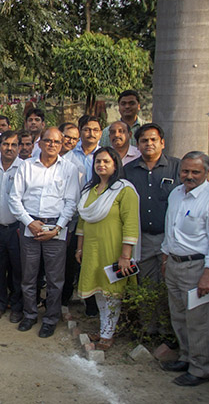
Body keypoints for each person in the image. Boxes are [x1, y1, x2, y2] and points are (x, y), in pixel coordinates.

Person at [160, 151, 209, 387]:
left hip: (197, 267)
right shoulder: (177, 193)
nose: (189, 176)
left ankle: (201, 368)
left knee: (199, 321)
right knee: (178, 316)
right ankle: (186, 357)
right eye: (185, 171)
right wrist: (166, 258)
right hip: (175, 264)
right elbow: (171, 228)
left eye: (195, 172)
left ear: (207, 173)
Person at [8, 127, 79, 337]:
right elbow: (14, 198)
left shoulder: (69, 168)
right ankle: (30, 315)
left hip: (56, 227)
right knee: (28, 276)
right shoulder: (27, 166)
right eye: (48, 141)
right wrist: (29, 222)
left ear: (61, 144)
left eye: (56, 142)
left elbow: (70, 202)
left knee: (55, 279)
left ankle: (50, 318)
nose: (52, 145)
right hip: (30, 224)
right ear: (39, 143)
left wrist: (58, 228)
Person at [75, 147, 140, 350]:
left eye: (106, 162)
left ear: (115, 165)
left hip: (113, 249)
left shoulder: (123, 189)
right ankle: (104, 329)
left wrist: (125, 256)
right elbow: (82, 222)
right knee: (99, 292)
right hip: (92, 249)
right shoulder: (89, 190)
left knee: (112, 292)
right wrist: (79, 248)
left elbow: (130, 224)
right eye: (98, 162)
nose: (101, 165)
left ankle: (107, 335)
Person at [124, 123, 180, 282]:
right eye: (144, 140)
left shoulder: (177, 167)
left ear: (162, 142)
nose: (149, 143)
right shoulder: (129, 170)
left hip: (169, 237)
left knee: (170, 283)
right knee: (146, 284)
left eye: (153, 139)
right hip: (142, 239)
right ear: (137, 145)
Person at [0, 131, 24, 323]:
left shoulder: (24, 168)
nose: (9, 148)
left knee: (18, 269)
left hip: (17, 227)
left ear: (19, 147)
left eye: (13, 145)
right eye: (6, 144)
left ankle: (17, 306)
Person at [68, 115, 102, 184]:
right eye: (87, 130)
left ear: (101, 133)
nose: (92, 134)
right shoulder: (70, 152)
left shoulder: (103, 155)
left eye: (96, 130)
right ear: (79, 131)